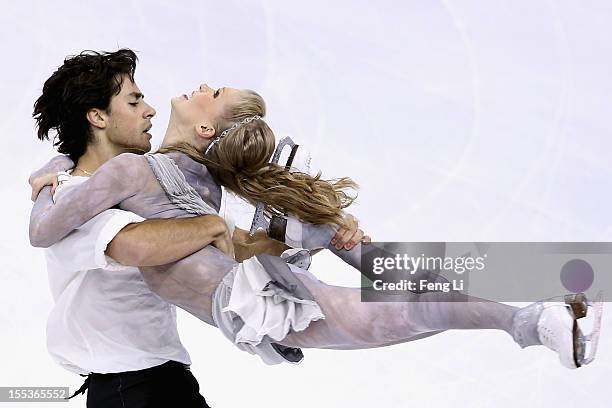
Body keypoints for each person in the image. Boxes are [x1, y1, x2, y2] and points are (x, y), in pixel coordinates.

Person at [30, 72, 598, 372]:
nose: (197, 88)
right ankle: (535, 312)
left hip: (260, 296)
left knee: (382, 280)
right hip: (255, 302)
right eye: (137, 100)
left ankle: (537, 318)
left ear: (207, 131)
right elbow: (43, 232)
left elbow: (228, 244)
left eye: (213, 92)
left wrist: (312, 227)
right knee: (400, 301)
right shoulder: (134, 171)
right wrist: (56, 167)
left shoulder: (202, 179)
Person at [28, 49, 363, 407]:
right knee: (378, 312)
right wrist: (215, 224)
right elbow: (136, 246)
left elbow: (231, 248)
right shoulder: (78, 197)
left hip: (159, 379)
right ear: (97, 116)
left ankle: (423, 278)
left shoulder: (141, 187)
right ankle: (425, 283)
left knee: (391, 298)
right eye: (134, 101)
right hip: (129, 388)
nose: (150, 110)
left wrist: (323, 234)